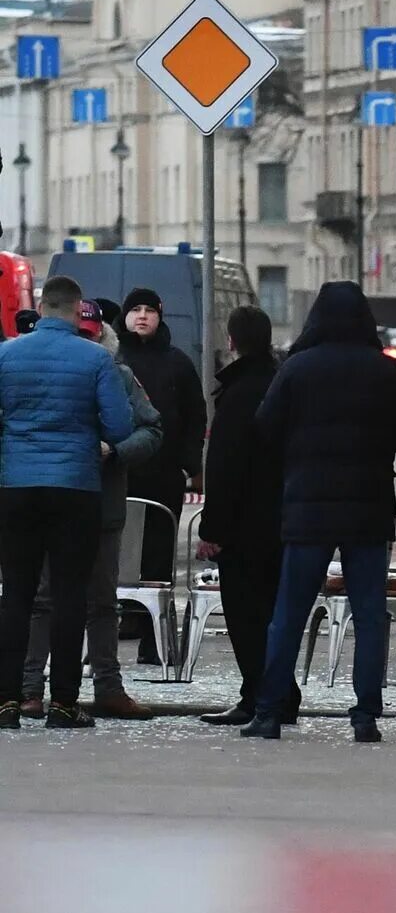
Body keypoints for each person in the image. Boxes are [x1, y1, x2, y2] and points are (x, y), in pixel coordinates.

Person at [245, 283, 396, 743]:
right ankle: (365, 715)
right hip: (368, 507)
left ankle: (268, 712)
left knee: (289, 612)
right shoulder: (385, 371)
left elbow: (264, 427)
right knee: (368, 615)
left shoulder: (297, 368)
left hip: (307, 505)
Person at [0, 277, 137, 729]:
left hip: (16, 487)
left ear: (41, 307)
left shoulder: (6, 354)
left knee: (17, 594)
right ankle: (63, 704)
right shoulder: (96, 358)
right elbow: (119, 427)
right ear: (78, 310)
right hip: (75, 488)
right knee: (69, 594)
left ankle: (7, 702)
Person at [21, 302, 163, 720]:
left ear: (102, 335)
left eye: (91, 334)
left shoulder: (119, 377)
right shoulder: (42, 371)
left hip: (102, 504)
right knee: (43, 599)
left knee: (102, 601)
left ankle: (107, 687)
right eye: (78, 333)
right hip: (54, 499)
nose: (85, 341)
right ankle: (31, 688)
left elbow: (152, 428)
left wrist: (116, 450)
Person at [196, 305, 295, 727]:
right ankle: (280, 695)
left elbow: (224, 466)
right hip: (281, 519)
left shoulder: (238, 394)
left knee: (246, 615)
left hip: (243, 526)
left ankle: (257, 697)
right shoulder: (279, 385)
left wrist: (212, 528)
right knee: (273, 614)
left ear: (232, 341)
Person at [117, 286, 207, 671]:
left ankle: (151, 637)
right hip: (119, 472)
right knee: (118, 553)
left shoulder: (177, 363)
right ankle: (124, 621)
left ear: (160, 315)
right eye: (134, 310)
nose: (141, 316)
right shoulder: (113, 359)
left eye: (149, 310)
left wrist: (192, 465)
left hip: (164, 473)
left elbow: (194, 416)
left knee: (158, 553)